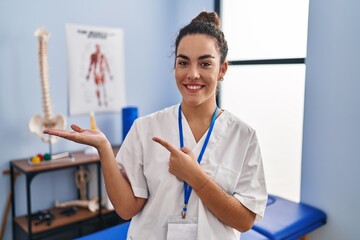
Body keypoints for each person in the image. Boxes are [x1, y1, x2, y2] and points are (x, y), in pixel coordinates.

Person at [44, 11, 267, 240]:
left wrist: (196, 178)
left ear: (222, 70)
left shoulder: (243, 136)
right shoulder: (145, 128)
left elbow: (244, 221)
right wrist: (104, 149)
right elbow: (127, 209)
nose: (192, 74)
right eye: (183, 62)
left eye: (205, 63)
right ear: (174, 66)